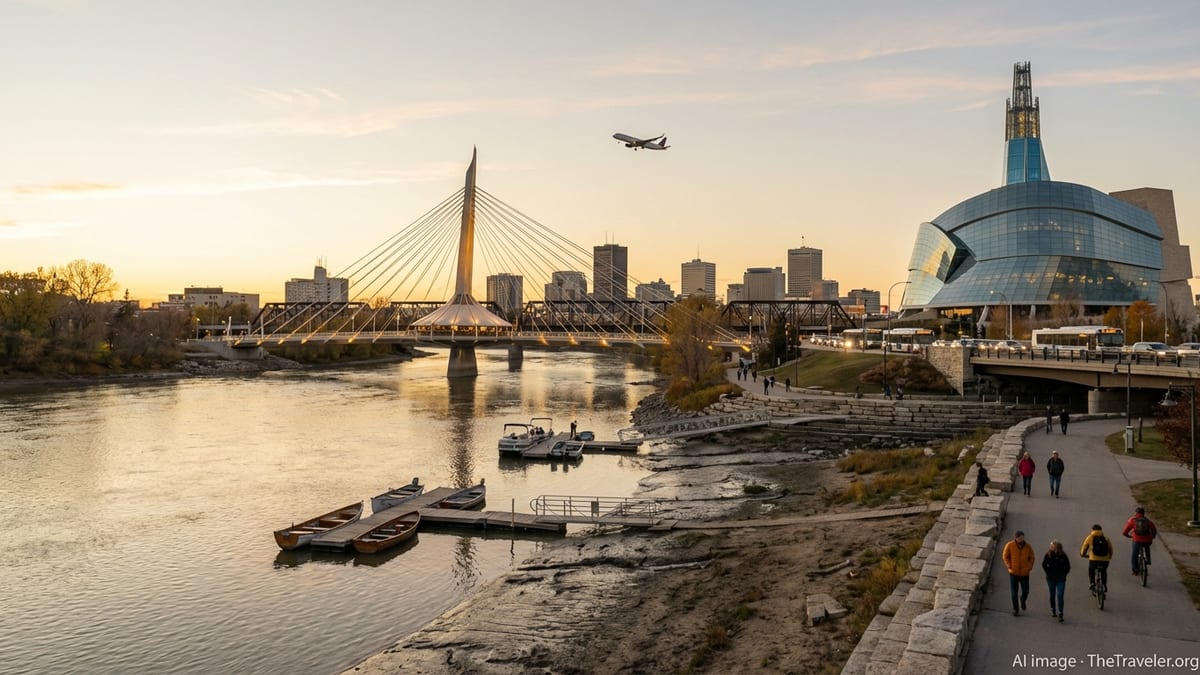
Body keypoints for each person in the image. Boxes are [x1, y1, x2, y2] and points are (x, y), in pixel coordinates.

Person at [1003, 530, 1035, 616]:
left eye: (1022, 537)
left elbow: (1032, 557)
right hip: (1013, 573)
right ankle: (1015, 609)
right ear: (1016, 538)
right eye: (1019, 538)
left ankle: (1023, 599)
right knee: (1014, 592)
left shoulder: (1028, 547)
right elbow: (1005, 556)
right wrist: (1009, 566)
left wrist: (1029, 567)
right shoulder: (1009, 545)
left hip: (1024, 573)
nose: (1021, 539)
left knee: (1026, 591)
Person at [1121, 506, 1158, 574]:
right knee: (1147, 546)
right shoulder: (1148, 521)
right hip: (1147, 539)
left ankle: (1135, 569)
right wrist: (1153, 536)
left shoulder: (1133, 520)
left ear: (1136, 513)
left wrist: (1128, 535)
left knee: (1134, 554)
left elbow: (1125, 531)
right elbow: (1154, 529)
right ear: (1143, 513)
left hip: (1137, 539)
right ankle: (1148, 559)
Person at [1042, 540, 1071, 622]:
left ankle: (1060, 612)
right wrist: (1048, 573)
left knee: (1060, 595)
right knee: (1052, 594)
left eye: (1052, 546)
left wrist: (1064, 574)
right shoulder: (1048, 555)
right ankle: (1053, 609)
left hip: (1061, 579)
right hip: (1051, 579)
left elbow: (1068, 566)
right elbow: (1044, 565)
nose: (1050, 548)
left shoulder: (1063, 556)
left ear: (1057, 548)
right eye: (1050, 546)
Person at [1080, 524, 1112, 593]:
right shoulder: (1106, 538)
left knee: (1091, 569)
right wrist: (1110, 556)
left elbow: (1084, 546)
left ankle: (1092, 583)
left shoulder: (1090, 537)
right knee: (1104, 571)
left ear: (1093, 530)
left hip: (1093, 560)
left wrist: (1083, 554)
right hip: (1105, 560)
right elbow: (1110, 548)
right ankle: (1104, 585)